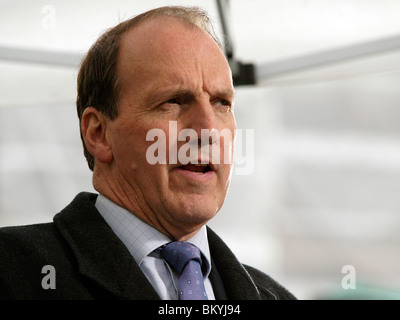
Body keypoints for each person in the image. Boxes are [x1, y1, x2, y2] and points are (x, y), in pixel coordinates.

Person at [0, 6, 295, 300]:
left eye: (221, 103)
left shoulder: (276, 296)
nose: (207, 130)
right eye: (174, 101)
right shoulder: (13, 271)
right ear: (98, 134)